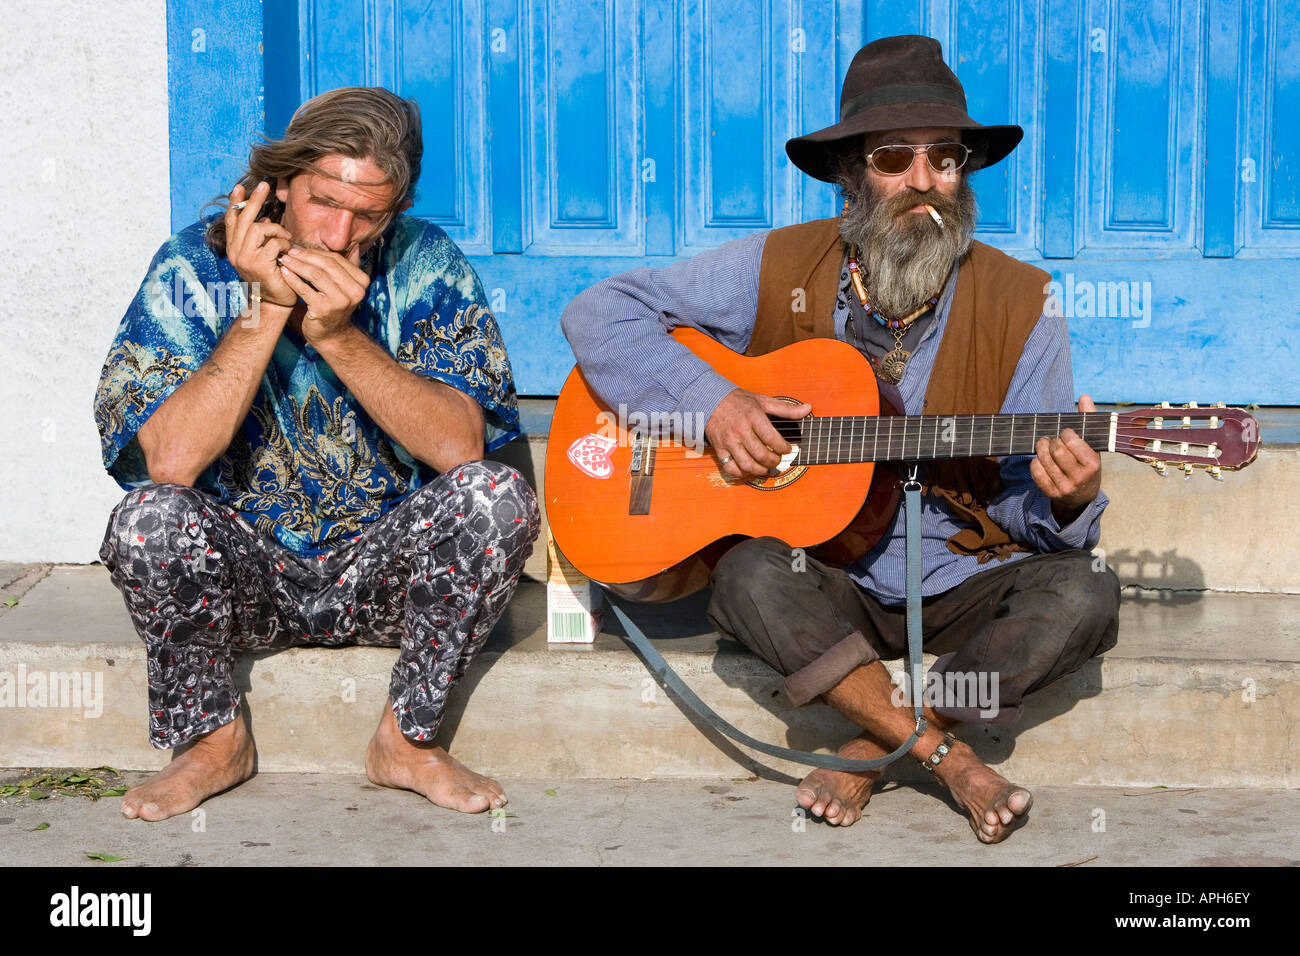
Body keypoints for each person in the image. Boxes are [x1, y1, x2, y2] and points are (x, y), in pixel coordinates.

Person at [561, 35, 1119, 843]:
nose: (923, 182)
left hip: (959, 575)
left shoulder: (1023, 303)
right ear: (851, 170)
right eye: (896, 157)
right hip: (824, 571)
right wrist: (713, 404)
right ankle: (950, 758)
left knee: (1085, 591)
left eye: (945, 158)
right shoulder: (779, 262)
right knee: (749, 573)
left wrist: (1068, 499)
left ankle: (876, 742)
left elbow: (1029, 513)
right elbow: (598, 312)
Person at [93, 86, 539, 822]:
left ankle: (407, 741)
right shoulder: (190, 269)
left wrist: (337, 335)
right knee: (149, 519)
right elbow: (169, 461)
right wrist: (268, 311)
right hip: (241, 581)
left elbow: (461, 449)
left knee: (496, 496)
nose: (338, 236)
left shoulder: (424, 262)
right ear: (274, 190)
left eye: (369, 216)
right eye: (323, 203)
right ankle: (212, 741)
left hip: (384, 574)